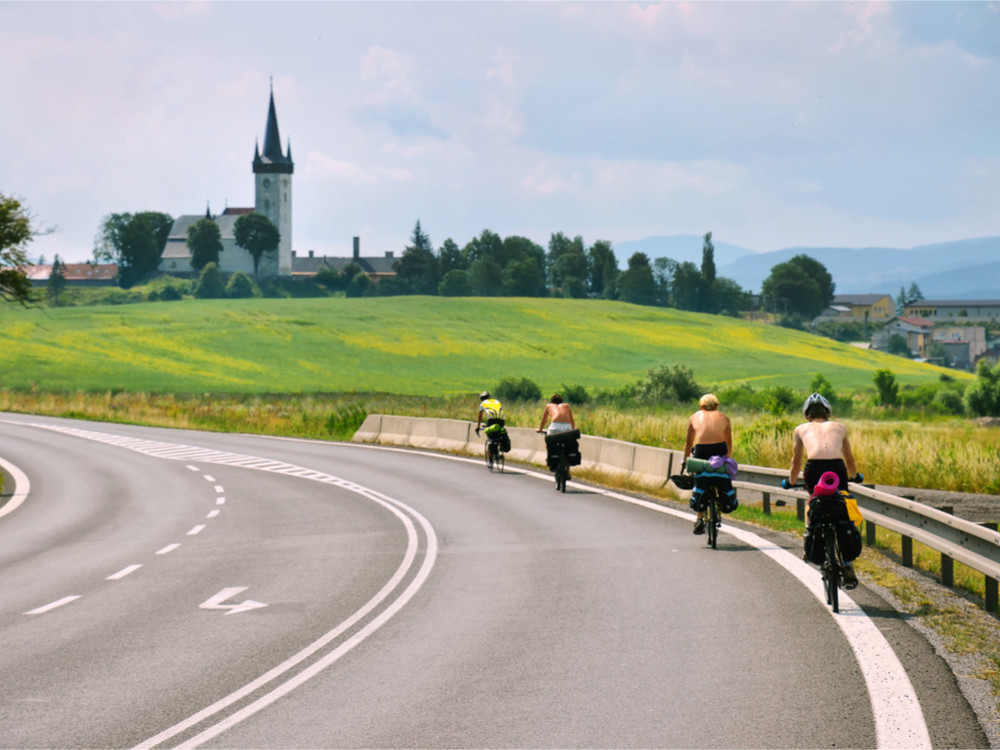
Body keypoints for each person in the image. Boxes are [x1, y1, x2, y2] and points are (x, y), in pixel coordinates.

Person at [785, 392, 861, 588]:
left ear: (807, 416)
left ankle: (809, 535)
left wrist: (791, 482)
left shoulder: (800, 429)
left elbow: (796, 461)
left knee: (813, 501)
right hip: (837, 468)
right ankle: (847, 562)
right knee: (844, 504)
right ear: (827, 414)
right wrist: (854, 476)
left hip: (814, 469)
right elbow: (850, 459)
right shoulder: (840, 427)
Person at [682, 393, 733, 535]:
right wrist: (726, 459)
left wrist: (685, 460)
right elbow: (729, 443)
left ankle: (699, 518)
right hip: (719, 450)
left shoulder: (694, 417)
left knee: (700, 479)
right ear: (717, 405)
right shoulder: (724, 418)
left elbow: (688, 443)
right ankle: (722, 498)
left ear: (701, 406)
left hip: (701, 450)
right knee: (720, 474)